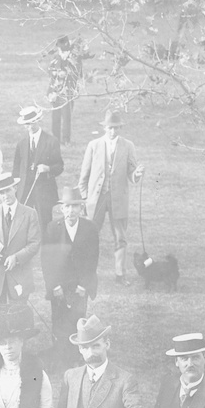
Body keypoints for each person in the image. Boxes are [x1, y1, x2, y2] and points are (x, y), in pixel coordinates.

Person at [78, 109, 145, 287]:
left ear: (120, 127)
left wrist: (137, 174)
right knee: (91, 235)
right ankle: (87, 272)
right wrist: (85, 198)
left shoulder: (128, 146)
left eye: (116, 128)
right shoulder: (94, 145)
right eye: (110, 128)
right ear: (104, 127)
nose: (113, 131)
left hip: (118, 199)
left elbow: (132, 173)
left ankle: (120, 274)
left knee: (120, 237)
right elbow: (84, 175)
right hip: (97, 198)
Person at [42, 188, 100, 364]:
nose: (71, 211)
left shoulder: (89, 228)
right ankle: (60, 356)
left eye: (75, 207)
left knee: (77, 319)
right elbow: (47, 260)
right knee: (59, 320)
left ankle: (77, 355)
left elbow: (93, 259)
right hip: (59, 285)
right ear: (61, 209)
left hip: (79, 286)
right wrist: (54, 286)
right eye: (67, 207)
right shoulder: (53, 228)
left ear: (81, 208)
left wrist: (84, 285)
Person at [0, 172, 41, 305]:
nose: (5, 195)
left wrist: (17, 257)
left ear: (15, 188)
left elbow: (34, 244)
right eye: (1, 193)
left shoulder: (29, 214)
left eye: (8, 190)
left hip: (19, 276)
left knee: (18, 317)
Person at [12, 105, 64, 227]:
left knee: (44, 222)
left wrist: (48, 169)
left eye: (31, 123)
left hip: (44, 190)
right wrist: (15, 185)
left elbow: (60, 166)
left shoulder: (51, 141)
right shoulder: (21, 144)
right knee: (24, 222)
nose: (29, 127)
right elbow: (16, 168)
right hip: (25, 190)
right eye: (26, 124)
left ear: (37, 121)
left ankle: (45, 245)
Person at [47, 35, 82, 146]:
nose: (60, 49)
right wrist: (56, 74)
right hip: (55, 90)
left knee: (66, 116)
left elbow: (78, 74)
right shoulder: (56, 57)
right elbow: (50, 71)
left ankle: (66, 139)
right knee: (55, 116)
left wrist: (67, 74)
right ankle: (55, 138)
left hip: (68, 91)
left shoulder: (74, 57)